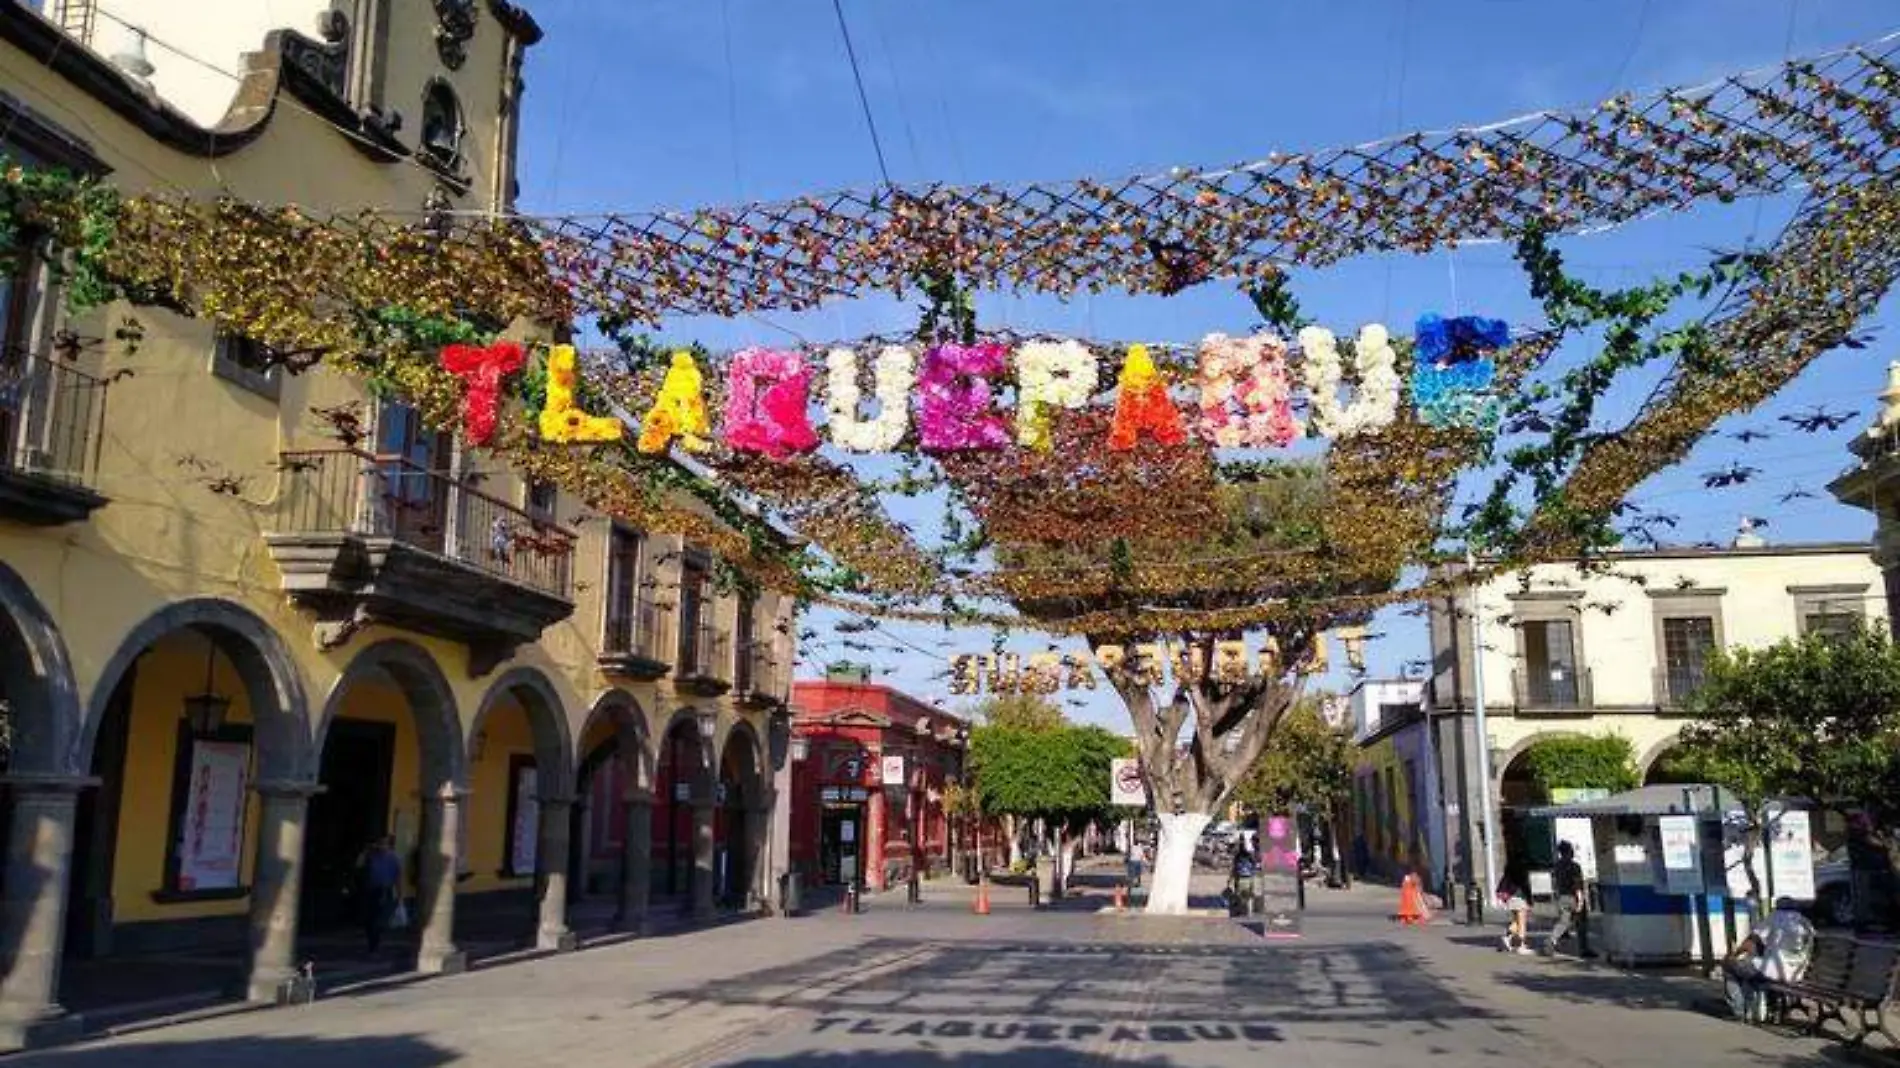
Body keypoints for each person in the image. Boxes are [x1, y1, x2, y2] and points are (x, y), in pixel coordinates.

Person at [1723, 898, 1815, 1022]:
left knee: (1730, 966)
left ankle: (1738, 1011)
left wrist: (1734, 955)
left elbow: (1751, 941)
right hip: (1797, 975)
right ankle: (1759, 1008)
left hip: (1773, 972)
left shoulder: (1775, 917)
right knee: (1752, 970)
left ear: (1777, 907)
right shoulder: (1806, 923)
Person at [358, 835, 402, 955]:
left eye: (384, 843)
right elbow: (359, 865)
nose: (381, 846)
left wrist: (399, 894)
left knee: (380, 917)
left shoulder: (393, 858)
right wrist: (365, 851)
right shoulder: (371, 856)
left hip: (385, 890)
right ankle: (372, 940)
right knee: (369, 918)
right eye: (379, 843)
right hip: (370, 889)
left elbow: (398, 877)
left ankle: (375, 942)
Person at [1544, 841, 1587, 956]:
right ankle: (1584, 949)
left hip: (1562, 897)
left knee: (1563, 922)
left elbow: (1554, 882)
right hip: (1573, 897)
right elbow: (1577, 884)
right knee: (1581, 923)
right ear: (1569, 851)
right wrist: (1581, 901)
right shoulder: (1574, 866)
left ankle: (1552, 939)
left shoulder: (1557, 866)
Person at [1496, 866, 1532, 955]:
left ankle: (1507, 938)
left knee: (1516, 920)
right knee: (1522, 923)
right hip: (1519, 896)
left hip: (1511, 896)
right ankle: (1520, 945)